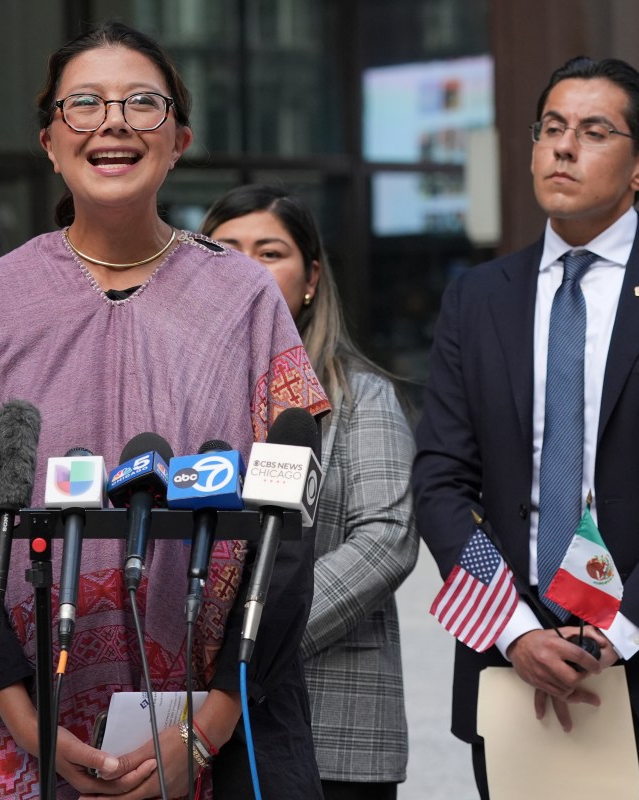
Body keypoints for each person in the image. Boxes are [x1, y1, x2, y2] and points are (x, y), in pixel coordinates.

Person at [0, 22, 330, 800]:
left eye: (142, 102)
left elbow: (288, 533)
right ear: (49, 141)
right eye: (85, 105)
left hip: (206, 722)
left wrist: (210, 726)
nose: (114, 122)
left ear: (179, 139)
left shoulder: (243, 300)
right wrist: (26, 717)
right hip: (14, 717)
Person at [411, 56, 639, 799]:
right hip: (509, 658)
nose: (563, 147)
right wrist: (514, 628)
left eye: (593, 132)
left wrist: (618, 632)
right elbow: (439, 481)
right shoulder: (479, 299)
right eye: (551, 129)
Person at [201, 185, 417, 800]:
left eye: (269, 252)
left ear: (311, 278)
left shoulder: (360, 397)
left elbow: (387, 539)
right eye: (226, 250)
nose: (246, 267)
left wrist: (250, 639)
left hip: (333, 717)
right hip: (186, 720)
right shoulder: (176, 397)